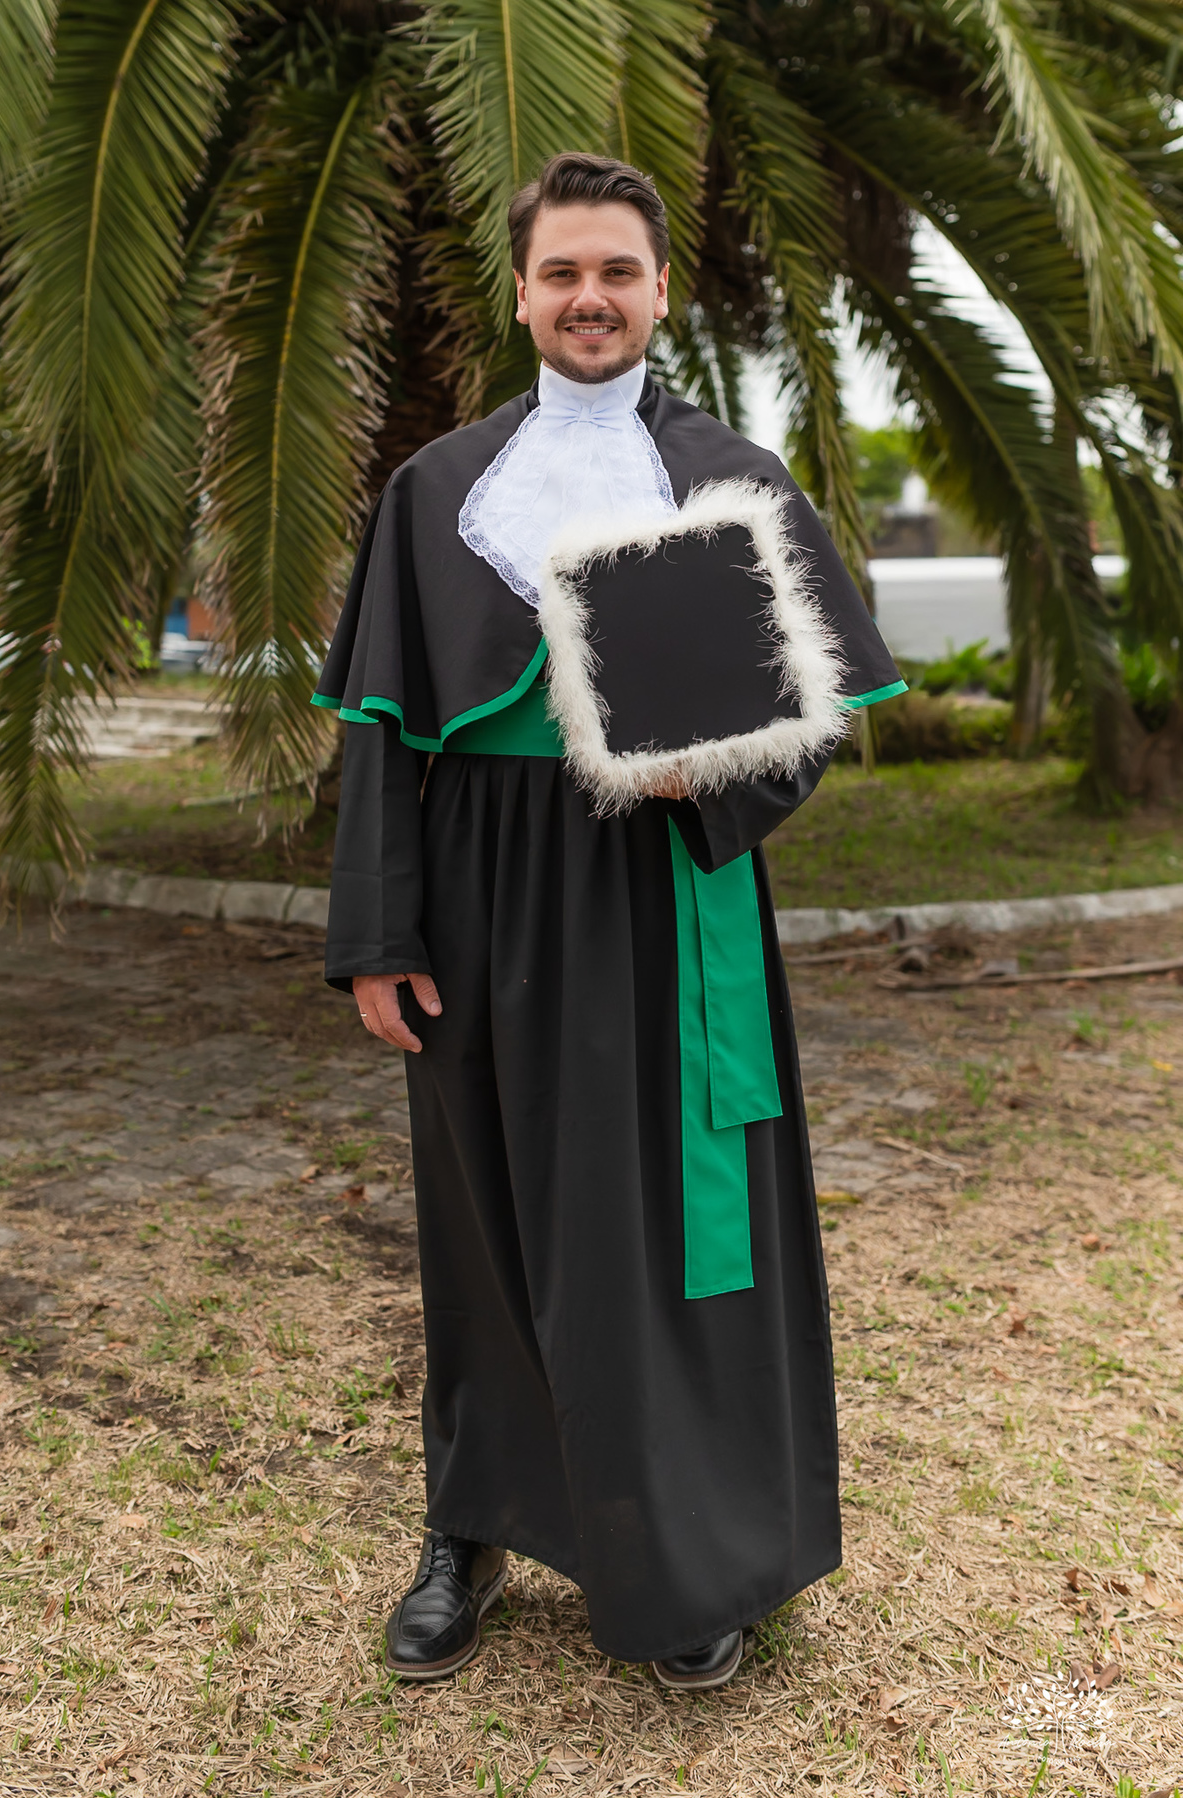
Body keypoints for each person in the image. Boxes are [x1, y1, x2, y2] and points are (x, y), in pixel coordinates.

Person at [313, 153, 903, 1690]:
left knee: (662, 1233)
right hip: (472, 892)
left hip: (664, 894)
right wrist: (379, 929)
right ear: (520, 292)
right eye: (563, 272)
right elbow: (382, 729)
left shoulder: (732, 485)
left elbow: (815, 720)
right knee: (484, 1219)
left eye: (618, 273)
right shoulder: (434, 489)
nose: (591, 298)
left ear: (659, 291)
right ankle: (472, 1526)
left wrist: (708, 780)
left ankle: (694, 1554)